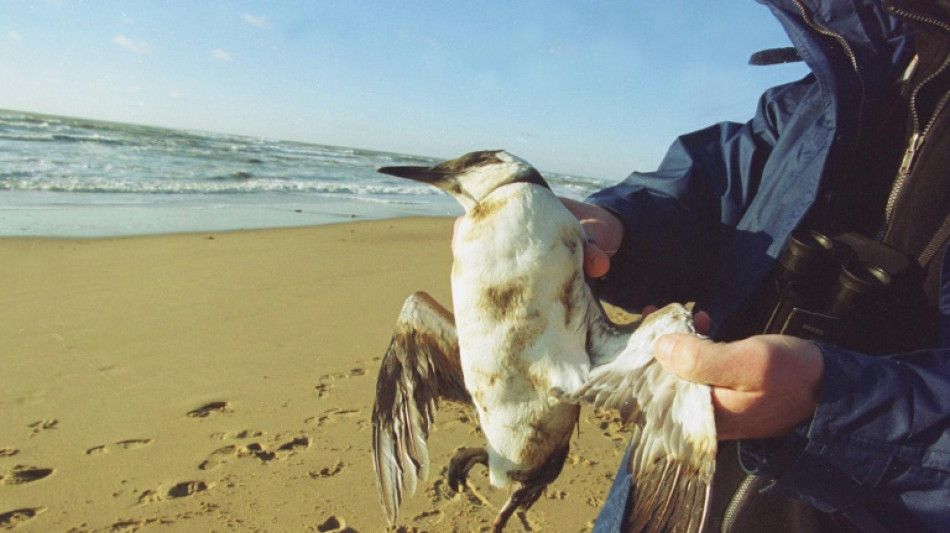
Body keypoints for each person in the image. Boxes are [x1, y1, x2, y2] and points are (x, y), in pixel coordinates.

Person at [565, 0, 950, 531]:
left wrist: (834, 402)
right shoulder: (845, 72)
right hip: (657, 484)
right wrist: (618, 229)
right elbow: (716, 195)